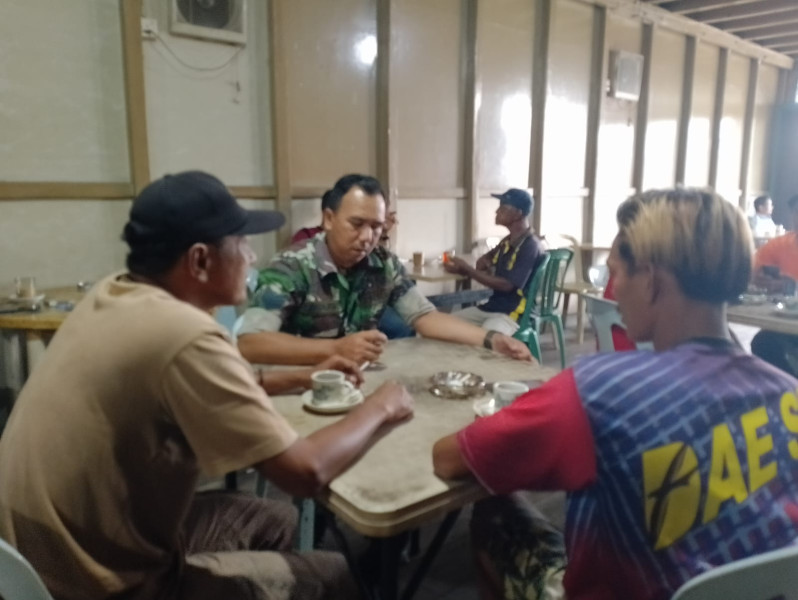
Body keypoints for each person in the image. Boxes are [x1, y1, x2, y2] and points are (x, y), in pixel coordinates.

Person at [0, 170, 415, 600]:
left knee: (280, 521)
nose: (251, 257)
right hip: (96, 583)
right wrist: (382, 405)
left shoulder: (115, 293)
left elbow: (209, 384)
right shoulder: (184, 335)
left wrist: (302, 375)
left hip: (39, 552)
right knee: (333, 573)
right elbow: (305, 473)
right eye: (241, 244)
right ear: (199, 260)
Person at [432, 188, 798, 600]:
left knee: (495, 513)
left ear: (652, 281)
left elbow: (450, 458)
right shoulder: (789, 392)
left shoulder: (597, 392)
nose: (612, 291)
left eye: (616, 273)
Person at [237, 174, 532, 366]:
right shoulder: (292, 265)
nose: (367, 237)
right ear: (328, 219)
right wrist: (335, 349)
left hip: (358, 381)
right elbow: (250, 343)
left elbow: (425, 318)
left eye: (376, 227)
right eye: (356, 224)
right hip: (301, 383)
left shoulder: (383, 264)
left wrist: (492, 340)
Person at [443, 188, 544, 336]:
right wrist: (462, 269)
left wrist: (468, 270)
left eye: (503, 208)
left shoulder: (530, 246)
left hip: (512, 314)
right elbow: (482, 263)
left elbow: (506, 285)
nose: (497, 211)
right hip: (492, 308)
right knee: (439, 327)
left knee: (485, 339)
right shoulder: (507, 241)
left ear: (518, 214)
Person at [750, 194, 798, 376]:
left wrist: (791, 284)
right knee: (763, 342)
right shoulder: (780, 244)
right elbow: (753, 272)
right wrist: (761, 279)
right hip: (783, 321)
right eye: (796, 212)